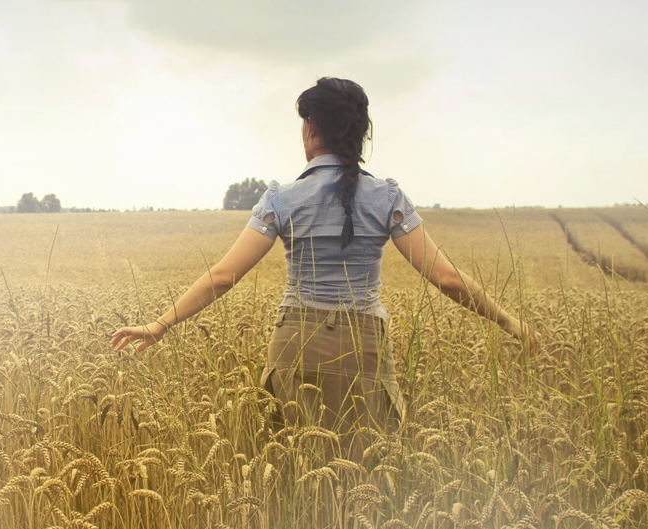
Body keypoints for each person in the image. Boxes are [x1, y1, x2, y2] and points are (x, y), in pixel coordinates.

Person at [109, 77, 539, 462]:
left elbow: (223, 276)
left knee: (295, 468)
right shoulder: (388, 198)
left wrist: (160, 324)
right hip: (362, 344)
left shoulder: (281, 198)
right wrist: (509, 322)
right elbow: (447, 280)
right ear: (358, 133)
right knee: (365, 470)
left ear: (311, 128)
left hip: (295, 341)